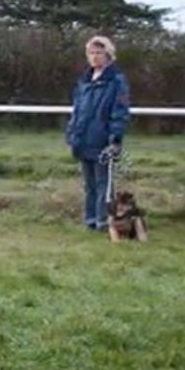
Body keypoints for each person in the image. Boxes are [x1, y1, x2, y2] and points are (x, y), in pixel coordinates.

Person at [65, 34, 131, 232]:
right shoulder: (84, 82)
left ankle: (104, 221)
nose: (95, 57)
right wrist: (72, 133)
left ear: (108, 55)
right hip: (83, 139)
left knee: (104, 184)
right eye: (91, 53)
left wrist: (115, 139)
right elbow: (77, 111)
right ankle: (90, 219)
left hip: (103, 140)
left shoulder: (116, 82)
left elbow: (119, 112)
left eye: (99, 53)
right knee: (89, 184)